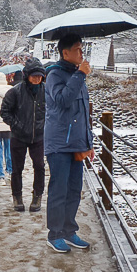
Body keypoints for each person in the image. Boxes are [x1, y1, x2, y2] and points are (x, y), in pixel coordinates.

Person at [43, 33, 94, 253]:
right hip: (59, 143)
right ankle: (55, 234)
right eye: (77, 49)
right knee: (59, 189)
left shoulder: (77, 75)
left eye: (82, 48)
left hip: (75, 143)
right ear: (65, 53)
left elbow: (84, 114)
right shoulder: (55, 74)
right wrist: (80, 75)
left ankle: (69, 230)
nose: (82, 53)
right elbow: (63, 100)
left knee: (74, 190)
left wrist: (88, 143)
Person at [0, 57, 46, 212]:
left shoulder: (46, 92)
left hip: (38, 136)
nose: (37, 79)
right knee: (17, 169)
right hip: (19, 136)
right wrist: (16, 125)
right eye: (34, 75)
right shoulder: (15, 92)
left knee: (39, 166)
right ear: (27, 75)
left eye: (39, 76)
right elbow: (5, 112)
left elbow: (53, 111)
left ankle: (37, 195)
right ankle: (17, 196)